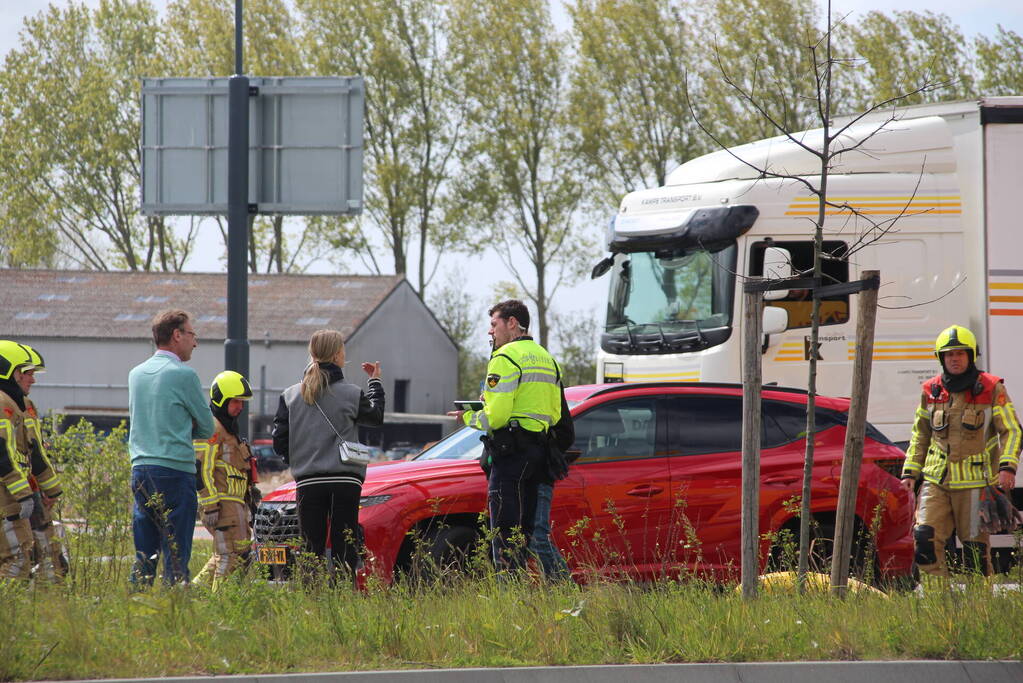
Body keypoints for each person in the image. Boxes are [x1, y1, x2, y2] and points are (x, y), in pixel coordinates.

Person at [447, 300, 564, 572]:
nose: (490, 332)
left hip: (511, 454)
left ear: (512, 323)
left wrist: (469, 417)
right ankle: (521, 593)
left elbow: (496, 417)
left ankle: (509, 594)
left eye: (493, 324)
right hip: (539, 453)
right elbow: (555, 415)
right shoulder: (548, 358)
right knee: (524, 531)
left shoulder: (505, 357)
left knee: (503, 530)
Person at [901, 325, 1021, 577]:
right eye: (948, 354)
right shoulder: (931, 391)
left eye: (960, 353)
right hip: (936, 482)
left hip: (975, 484)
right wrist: (910, 472)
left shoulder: (991, 388)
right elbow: (920, 434)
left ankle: (977, 605)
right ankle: (937, 603)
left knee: (974, 552)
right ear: (941, 358)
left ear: (971, 355)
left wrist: (1007, 467)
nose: (954, 359)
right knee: (925, 540)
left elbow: (1011, 430)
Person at [272, 330, 384, 576]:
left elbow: (279, 441)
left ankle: (313, 602)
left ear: (312, 354)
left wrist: (299, 461)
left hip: (309, 480)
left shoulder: (291, 395)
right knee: (345, 543)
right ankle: (344, 597)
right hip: (345, 480)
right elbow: (375, 418)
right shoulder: (352, 393)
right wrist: (375, 382)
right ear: (336, 355)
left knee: (312, 547)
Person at [128, 310, 215, 587]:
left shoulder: (136, 374)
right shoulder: (184, 375)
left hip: (141, 468)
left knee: (145, 550)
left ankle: (138, 601)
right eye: (192, 334)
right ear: (177, 335)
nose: (195, 342)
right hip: (175, 470)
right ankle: (174, 605)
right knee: (176, 553)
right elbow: (207, 427)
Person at [194, 370, 258, 588]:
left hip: (235, 505)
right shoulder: (212, 428)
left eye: (242, 402)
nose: (240, 407)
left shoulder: (229, 431)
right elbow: (202, 468)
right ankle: (218, 606)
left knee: (235, 555)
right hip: (222, 506)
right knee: (229, 556)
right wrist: (210, 505)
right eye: (235, 401)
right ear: (221, 399)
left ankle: (192, 594)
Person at [18, 345, 68, 582]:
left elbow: (34, 451)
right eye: (28, 372)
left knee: (49, 554)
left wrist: (48, 489)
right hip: (16, 494)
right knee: (22, 555)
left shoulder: (27, 406)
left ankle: (51, 601)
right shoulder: (7, 406)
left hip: (32, 490)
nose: (33, 380)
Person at [528, 382, 575, 582]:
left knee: (536, 537)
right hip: (521, 470)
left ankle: (566, 592)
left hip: (537, 473)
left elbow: (566, 434)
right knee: (525, 536)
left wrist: (544, 453)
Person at [0, 341, 38, 580]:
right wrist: (23, 493)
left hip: (10, 497)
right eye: (27, 373)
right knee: (16, 560)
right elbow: (1, 452)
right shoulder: (2, 404)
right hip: (7, 498)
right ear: (11, 372)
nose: (32, 380)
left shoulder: (13, 404)